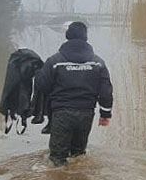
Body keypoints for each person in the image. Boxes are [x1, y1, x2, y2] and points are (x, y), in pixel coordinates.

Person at [33, 21, 113, 166]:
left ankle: (61, 179)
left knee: (57, 159)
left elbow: (42, 86)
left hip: (62, 114)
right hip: (86, 114)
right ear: (86, 37)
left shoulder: (55, 61)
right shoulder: (98, 63)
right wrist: (105, 114)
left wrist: (38, 72)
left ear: (67, 36)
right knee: (78, 156)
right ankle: (79, 178)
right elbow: (106, 91)